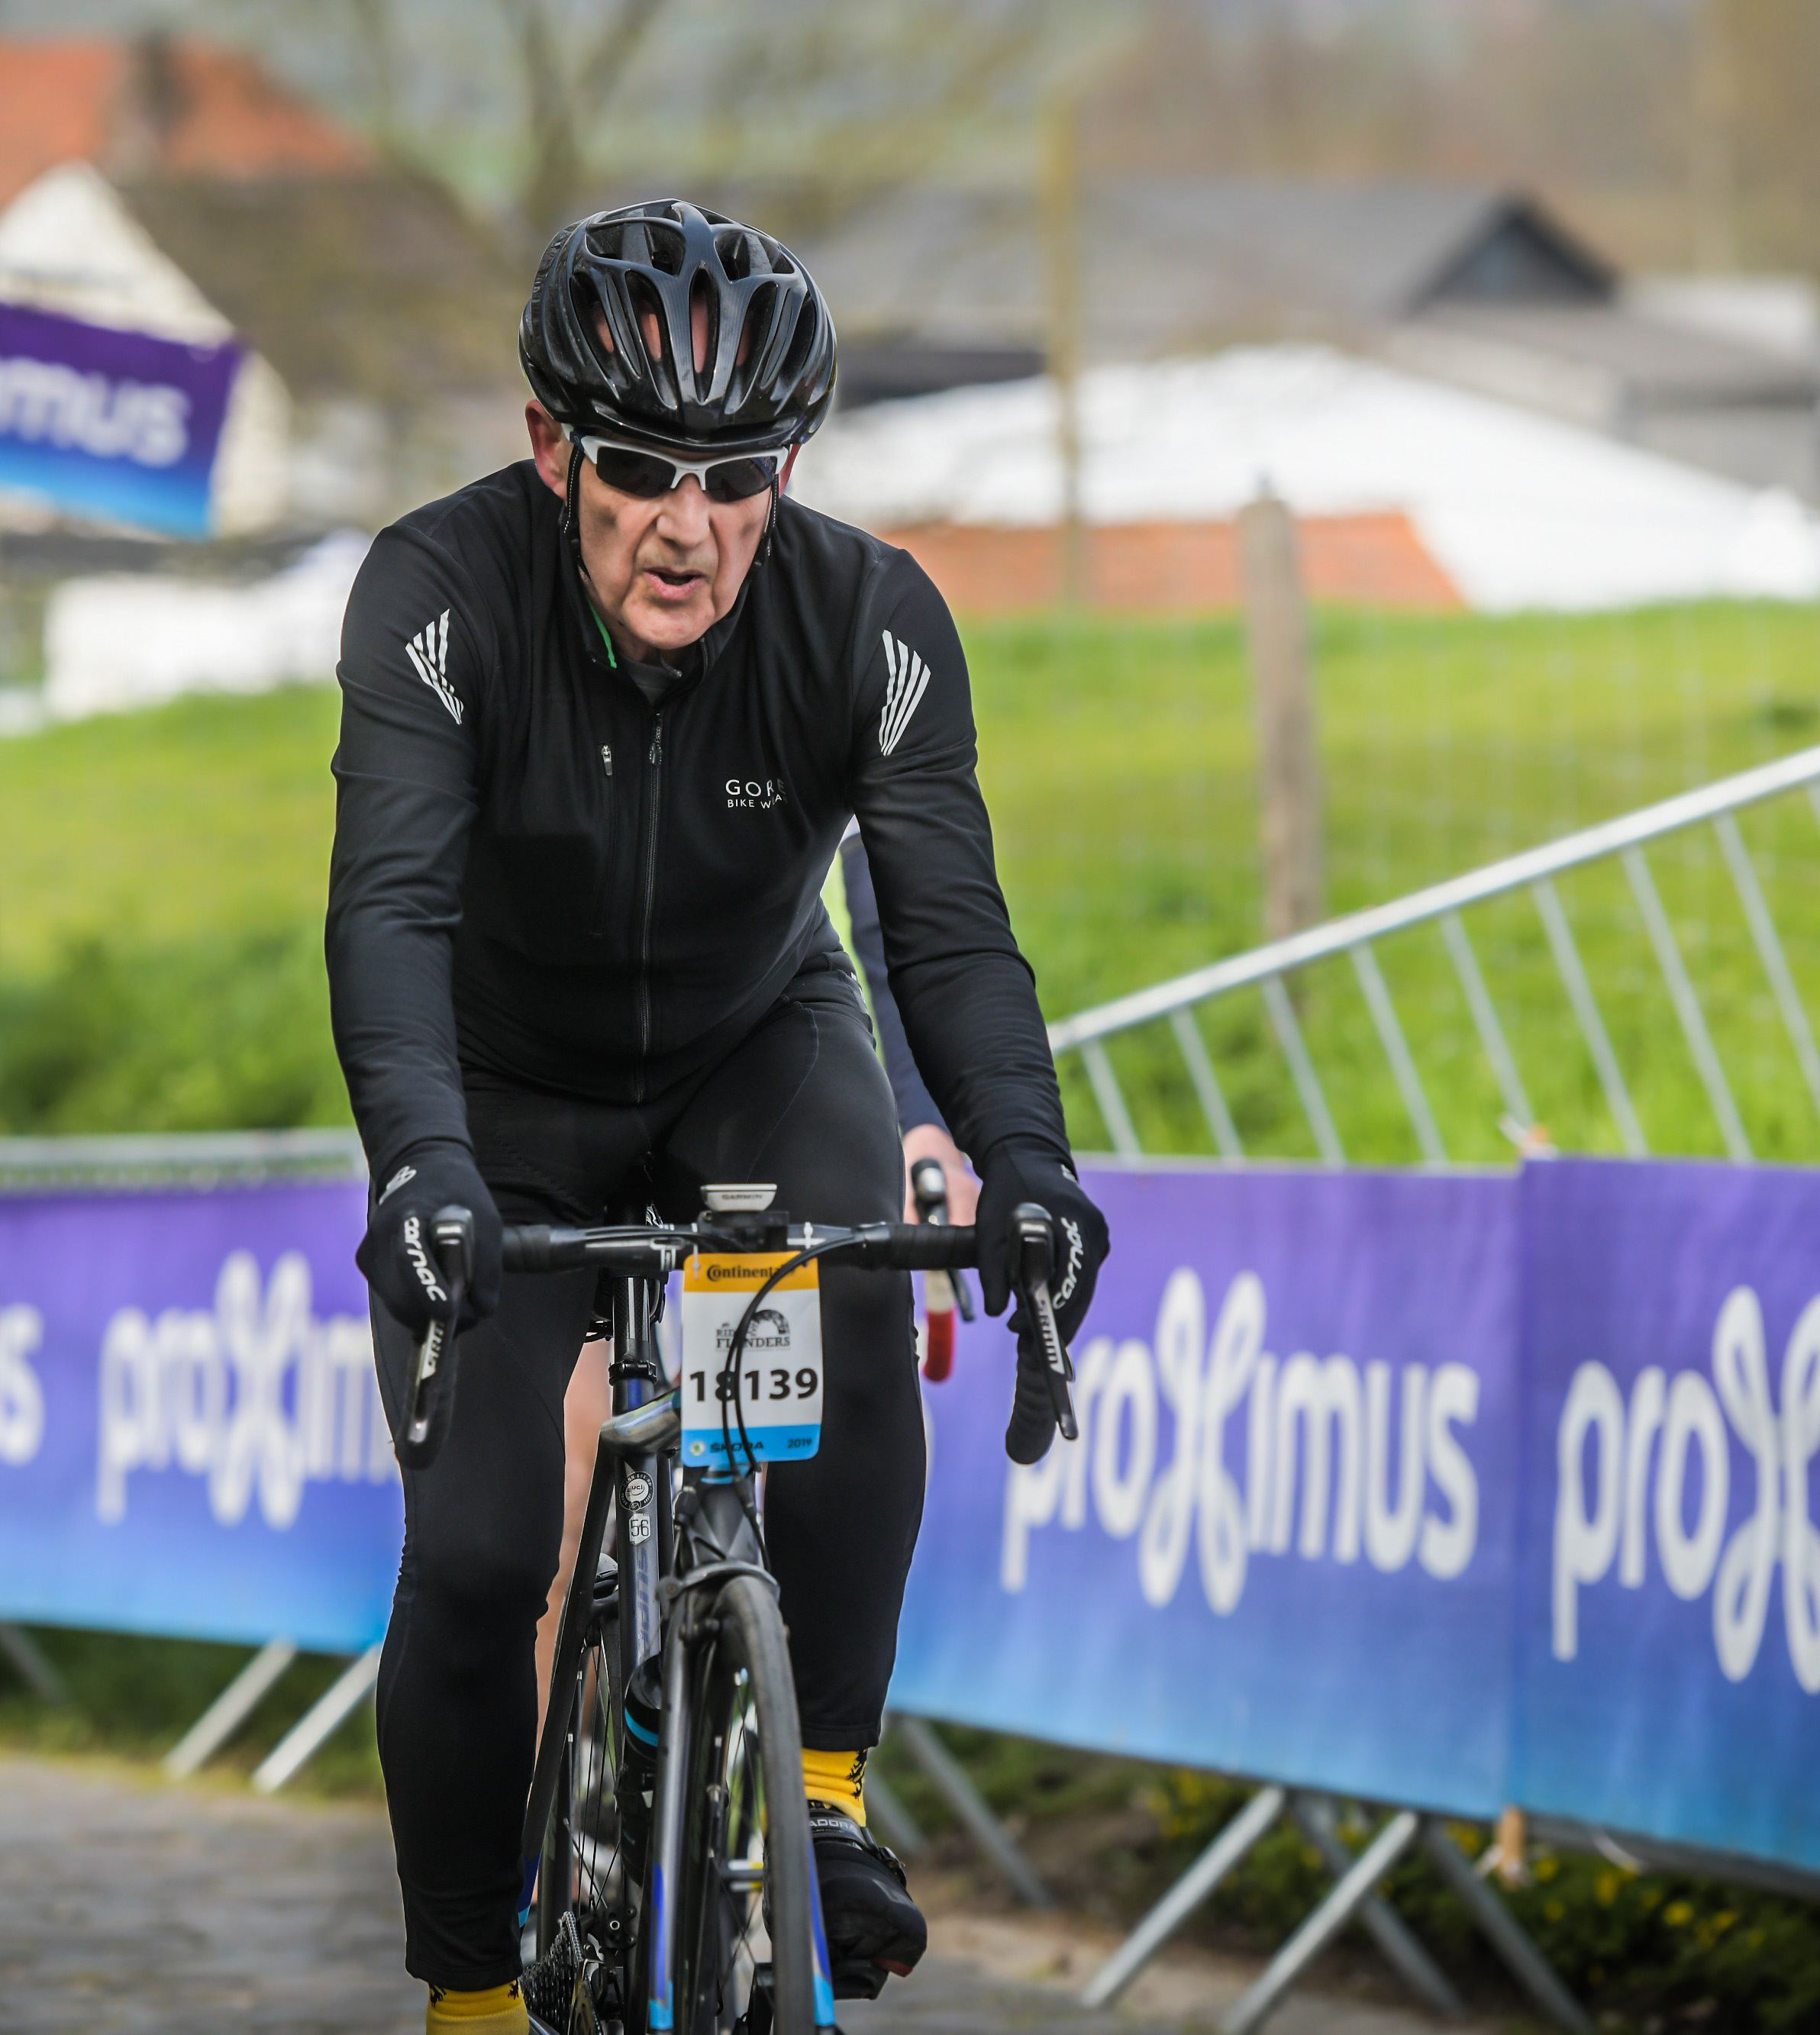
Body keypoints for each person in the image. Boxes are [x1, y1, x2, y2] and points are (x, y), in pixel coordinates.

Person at [325, 197, 1109, 2033]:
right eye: (639, 472)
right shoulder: (434, 595)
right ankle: (468, 1994)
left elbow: (947, 925)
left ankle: (816, 1793)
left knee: (849, 1291)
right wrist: (421, 1167)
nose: (688, 525)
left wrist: (1027, 1158)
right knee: (478, 1558)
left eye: (736, 475)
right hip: (501, 1094)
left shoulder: (867, 620)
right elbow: (389, 912)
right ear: (549, 447)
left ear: (787, 471)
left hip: (753, 1049)